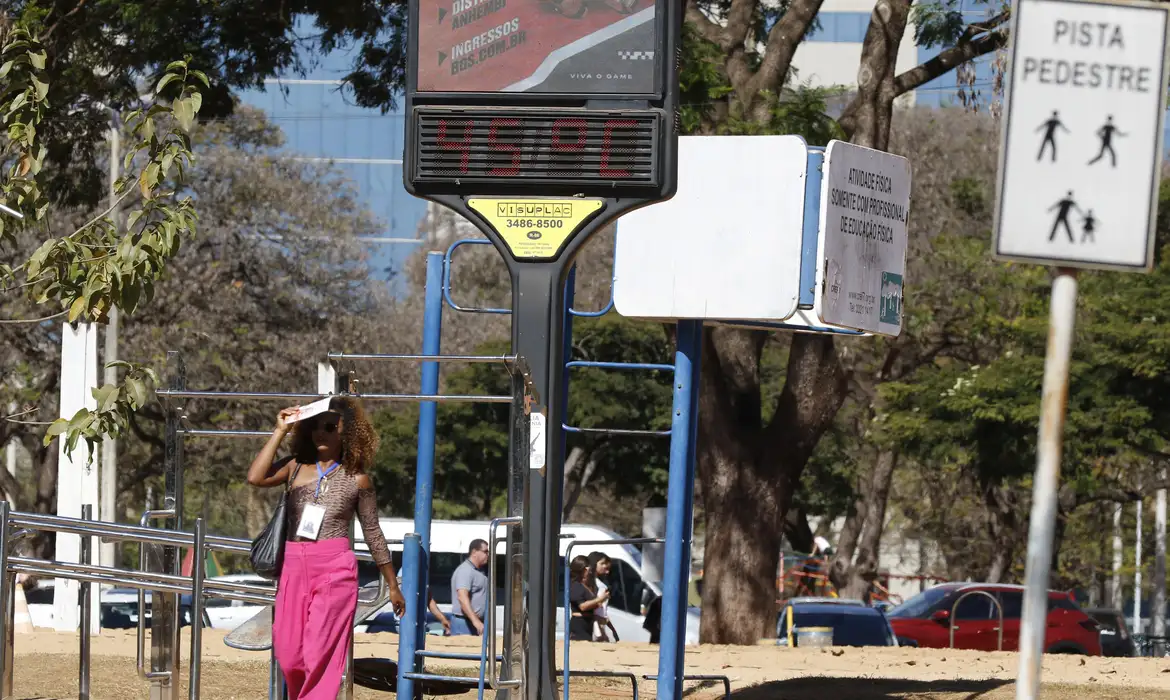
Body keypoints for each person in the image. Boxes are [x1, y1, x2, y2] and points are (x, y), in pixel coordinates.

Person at [248, 398, 406, 700]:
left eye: (331, 427)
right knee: (289, 656)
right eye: (316, 426)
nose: (322, 432)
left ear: (347, 433)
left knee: (319, 654)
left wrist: (392, 585)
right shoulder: (295, 467)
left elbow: (373, 532)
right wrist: (280, 431)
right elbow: (255, 477)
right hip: (294, 567)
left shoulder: (358, 479)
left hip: (335, 568)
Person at [450, 539, 491, 635]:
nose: (488, 554)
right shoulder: (465, 571)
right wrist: (476, 621)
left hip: (473, 623)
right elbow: (462, 597)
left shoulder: (478, 571)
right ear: (474, 552)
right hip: (465, 624)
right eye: (485, 551)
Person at [568, 555, 607, 642]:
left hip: (588, 623)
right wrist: (600, 599)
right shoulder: (575, 585)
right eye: (587, 567)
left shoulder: (585, 585)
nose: (589, 570)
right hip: (579, 624)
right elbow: (582, 606)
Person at [586, 552, 619, 642]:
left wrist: (611, 628)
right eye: (602, 563)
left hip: (599, 624)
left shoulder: (600, 584)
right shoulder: (591, 584)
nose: (605, 566)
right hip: (594, 626)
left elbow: (602, 611)